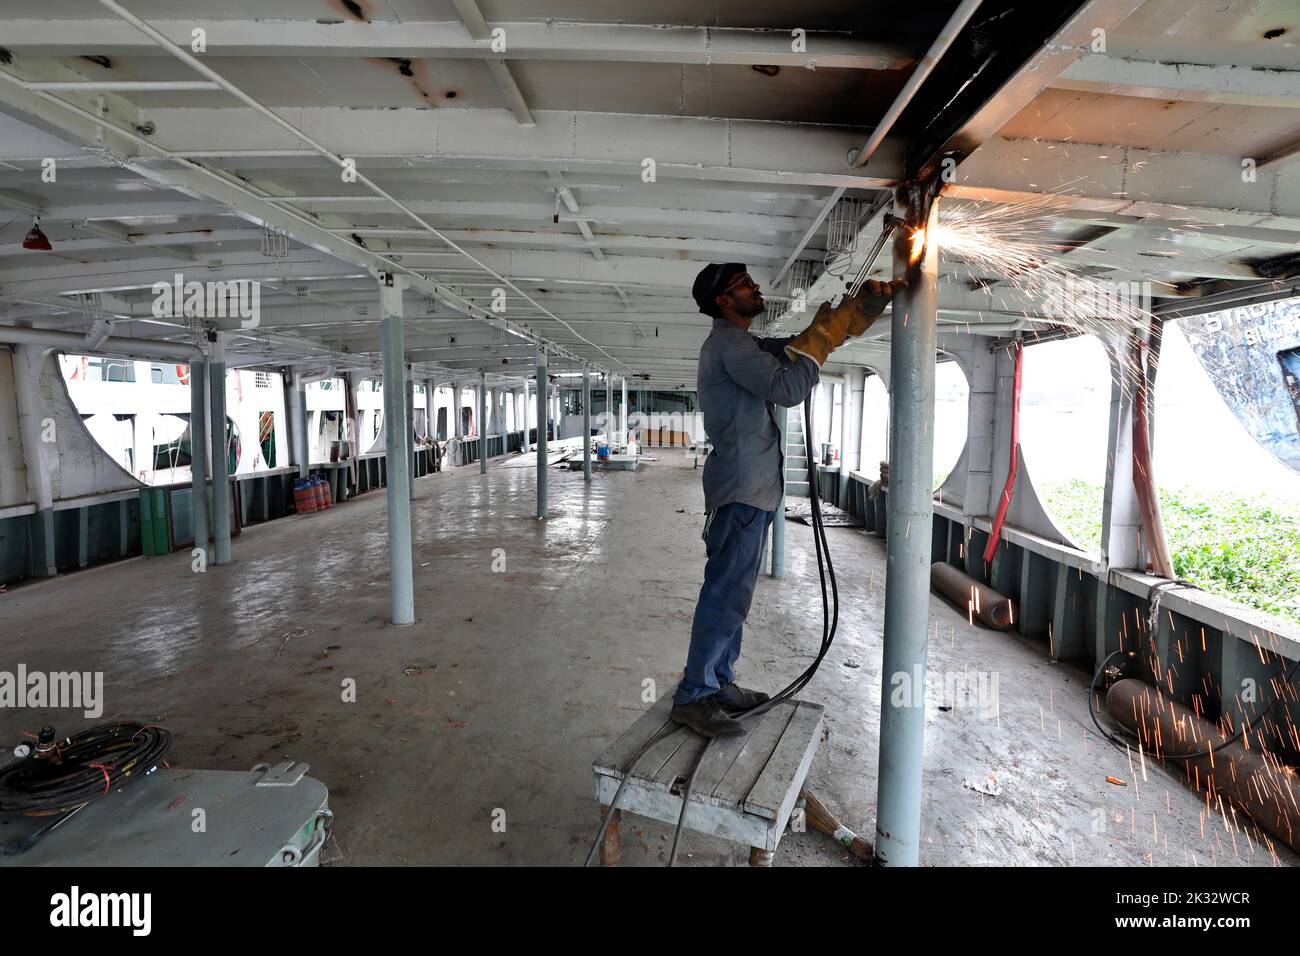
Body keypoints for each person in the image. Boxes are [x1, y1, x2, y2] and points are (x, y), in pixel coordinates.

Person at [671, 262, 902, 738]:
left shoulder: (743, 345)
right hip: (741, 490)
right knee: (724, 594)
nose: (756, 288)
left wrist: (837, 324)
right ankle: (694, 695)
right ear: (723, 301)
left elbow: (790, 351)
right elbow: (789, 386)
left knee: (735, 594)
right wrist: (823, 336)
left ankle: (718, 683)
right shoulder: (729, 345)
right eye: (745, 286)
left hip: (750, 490)